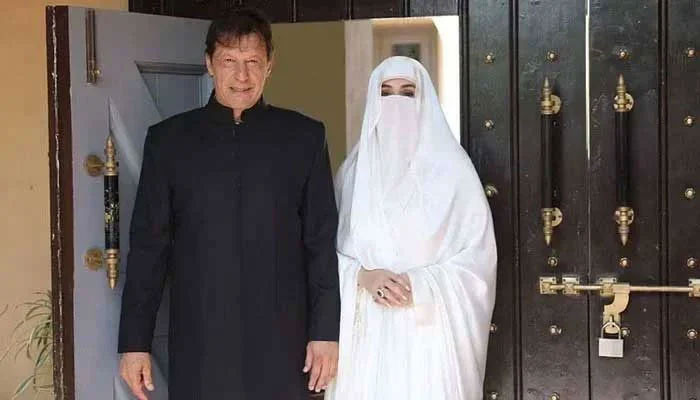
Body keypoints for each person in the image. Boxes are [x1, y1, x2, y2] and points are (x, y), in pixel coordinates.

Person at [118, 8, 340, 400]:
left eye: (253, 61)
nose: (242, 76)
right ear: (209, 64)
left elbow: (320, 244)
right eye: (229, 61)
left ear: (269, 65)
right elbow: (149, 247)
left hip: (284, 339)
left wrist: (325, 334)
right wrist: (134, 342)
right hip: (200, 338)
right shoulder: (169, 141)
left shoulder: (304, 137)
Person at [326, 56, 497, 400]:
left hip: (429, 343)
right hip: (366, 345)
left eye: (407, 93)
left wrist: (420, 284)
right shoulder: (352, 176)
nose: (396, 103)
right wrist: (363, 277)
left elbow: (478, 262)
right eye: (386, 93)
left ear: (424, 99)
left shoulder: (455, 174)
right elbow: (325, 254)